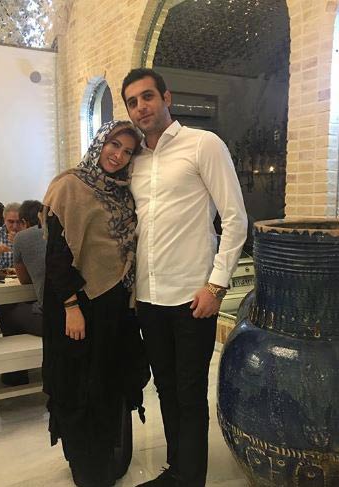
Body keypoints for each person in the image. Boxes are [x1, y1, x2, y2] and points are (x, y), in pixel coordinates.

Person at [122, 68, 248, 487]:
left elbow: (235, 219)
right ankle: (176, 469)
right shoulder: (136, 160)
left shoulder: (203, 144)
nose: (141, 107)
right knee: (166, 388)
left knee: (190, 392)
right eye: (132, 102)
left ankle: (189, 478)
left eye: (147, 97)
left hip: (193, 296)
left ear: (166, 97)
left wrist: (216, 286)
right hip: (149, 297)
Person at [42, 120, 150, 487]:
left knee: (109, 384)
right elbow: (56, 255)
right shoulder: (69, 186)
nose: (118, 155)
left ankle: (110, 459)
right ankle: (87, 469)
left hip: (116, 308)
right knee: (79, 388)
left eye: (127, 151)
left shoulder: (123, 192)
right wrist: (71, 306)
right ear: (100, 142)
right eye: (113, 145)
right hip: (80, 305)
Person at [0, 199, 45, 386]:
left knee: (4, 310)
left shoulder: (23, 238)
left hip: (52, 317)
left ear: (24, 222)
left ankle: (15, 373)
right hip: (80, 311)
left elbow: (25, 280)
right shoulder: (63, 232)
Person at [0, 202, 21, 269]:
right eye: (11, 222)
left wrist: (19, 244)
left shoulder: (28, 234)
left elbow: (35, 262)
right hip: (1, 274)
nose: (15, 226)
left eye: (18, 222)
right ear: (4, 220)